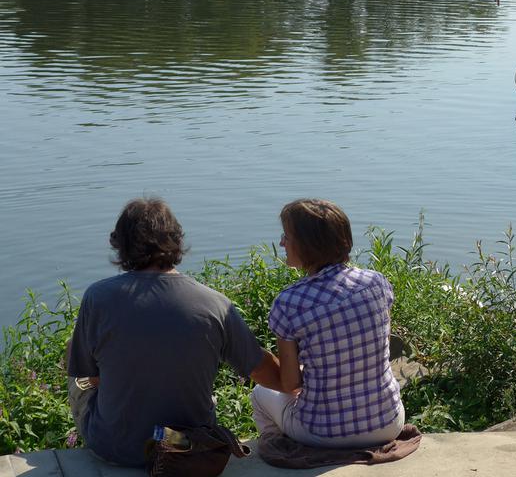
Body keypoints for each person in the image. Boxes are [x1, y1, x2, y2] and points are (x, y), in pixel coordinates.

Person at [66, 197, 283, 466]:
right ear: (176, 241)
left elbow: (91, 377)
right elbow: (264, 371)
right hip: (183, 445)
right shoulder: (214, 303)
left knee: (78, 376)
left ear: (120, 244)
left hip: (119, 446)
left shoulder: (97, 298)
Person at [251, 199, 404, 448]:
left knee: (260, 395)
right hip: (388, 423)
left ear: (306, 245)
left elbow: (290, 384)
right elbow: (377, 349)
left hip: (322, 433)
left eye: (287, 237)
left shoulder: (290, 302)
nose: (281, 243)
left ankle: (277, 449)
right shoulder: (376, 283)